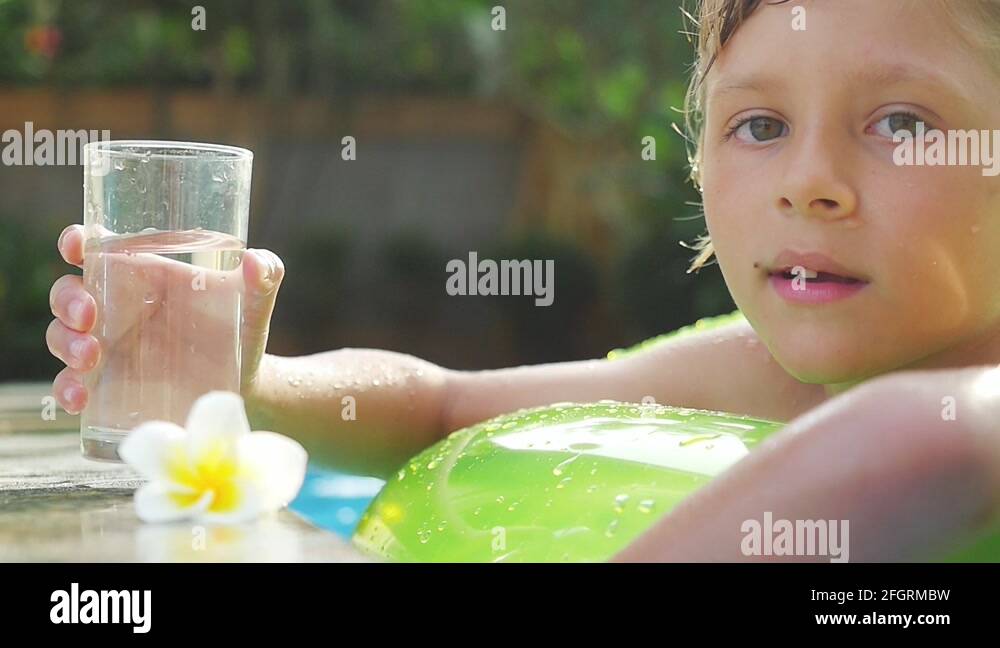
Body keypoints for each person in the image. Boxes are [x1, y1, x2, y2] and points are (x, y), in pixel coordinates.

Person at [45, 0, 1000, 561]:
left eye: (902, 125)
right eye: (760, 126)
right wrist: (245, 383)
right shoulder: (762, 372)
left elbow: (920, 441)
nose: (807, 186)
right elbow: (444, 408)